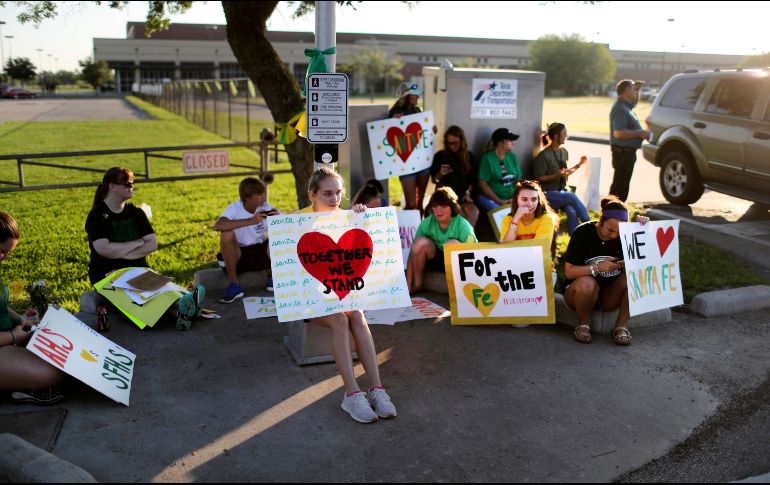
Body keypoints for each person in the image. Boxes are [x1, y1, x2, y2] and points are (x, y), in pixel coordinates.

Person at [301, 167, 397, 424]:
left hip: (343, 294)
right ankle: (352, 393)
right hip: (313, 301)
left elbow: (363, 257)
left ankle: (377, 389)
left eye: (338, 193)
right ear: (312, 194)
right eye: (327, 193)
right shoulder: (297, 221)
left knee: (356, 313)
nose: (334, 199)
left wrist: (363, 221)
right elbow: (283, 262)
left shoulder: (348, 217)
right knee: (341, 319)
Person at [85, 167, 203, 330]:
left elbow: (152, 244)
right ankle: (186, 309)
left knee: (159, 290)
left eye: (132, 183)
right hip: (107, 273)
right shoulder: (97, 215)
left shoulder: (136, 213)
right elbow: (104, 249)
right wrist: (136, 243)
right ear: (112, 186)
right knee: (138, 298)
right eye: (126, 183)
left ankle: (182, 312)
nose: (131, 186)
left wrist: (121, 253)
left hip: (138, 267)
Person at [562, 195, 649, 346]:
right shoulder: (582, 232)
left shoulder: (627, 235)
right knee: (587, 283)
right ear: (601, 221)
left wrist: (644, 230)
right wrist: (596, 268)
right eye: (610, 230)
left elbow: (645, 258)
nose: (614, 235)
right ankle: (583, 324)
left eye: (619, 232)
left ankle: (621, 327)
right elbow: (569, 272)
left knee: (633, 277)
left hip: (609, 295)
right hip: (577, 294)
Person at [0, 211, 65, 405]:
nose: (5, 257)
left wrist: (20, 320)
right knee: (52, 373)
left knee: (63, 355)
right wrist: (14, 337)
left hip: (8, 338)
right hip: (5, 341)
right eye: (3, 251)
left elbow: (1, 306)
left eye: (8, 253)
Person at [214, 177, 279, 303]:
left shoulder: (267, 208)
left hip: (261, 255)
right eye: (259, 194)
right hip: (239, 256)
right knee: (226, 234)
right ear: (247, 197)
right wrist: (251, 221)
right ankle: (234, 285)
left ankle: (275, 277)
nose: (264, 197)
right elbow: (218, 226)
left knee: (278, 233)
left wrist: (279, 220)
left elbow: (288, 228)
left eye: (264, 193)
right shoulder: (234, 208)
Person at [406, 187, 478, 294]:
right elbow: (412, 254)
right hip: (435, 260)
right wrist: (407, 287)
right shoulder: (427, 223)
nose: (439, 210)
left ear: (452, 207)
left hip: (458, 265)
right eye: (435, 206)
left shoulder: (463, 225)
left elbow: (475, 254)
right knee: (419, 243)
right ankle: (418, 284)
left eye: (443, 206)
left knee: (452, 244)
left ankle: (457, 291)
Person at [533, 122, 590, 235]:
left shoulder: (564, 152)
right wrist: (556, 175)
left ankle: (575, 239)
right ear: (555, 136)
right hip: (546, 193)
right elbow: (538, 178)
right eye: (564, 133)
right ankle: (589, 224)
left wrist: (579, 164)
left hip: (561, 192)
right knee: (572, 196)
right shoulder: (544, 155)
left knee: (571, 210)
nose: (566, 136)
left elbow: (565, 173)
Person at [500, 180, 558, 281]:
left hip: (541, 270)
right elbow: (505, 249)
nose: (530, 204)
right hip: (514, 270)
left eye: (534, 199)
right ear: (516, 200)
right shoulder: (507, 220)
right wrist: (516, 219)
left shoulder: (546, 219)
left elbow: (538, 251)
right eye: (524, 199)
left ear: (538, 200)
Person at [389, 82, 430, 214]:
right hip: (406, 162)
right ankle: (404, 231)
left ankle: (418, 231)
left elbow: (422, 131)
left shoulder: (417, 110)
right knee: (411, 204)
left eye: (418, 95)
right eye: (414, 95)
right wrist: (392, 121)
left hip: (422, 161)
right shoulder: (395, 112)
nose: (417, 97)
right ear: (406, 95)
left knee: (419, 203)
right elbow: (387, 133)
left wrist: (431, 128)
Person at [609, 79, 652, 202]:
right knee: (619, 187)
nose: (636, 91)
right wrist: (639, 133)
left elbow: (634, 102)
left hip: (628, 152)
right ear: (626, 90)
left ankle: (616, 212)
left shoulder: (626, 106)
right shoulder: (620, 108)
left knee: (622, 185)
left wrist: (637, 91)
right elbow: (618, 133)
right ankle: (612, 213)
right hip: (623, 152)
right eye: (634, 88)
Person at [430, 125, 480, 226]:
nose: (452, 146)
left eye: (455, 143)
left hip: (463, 197)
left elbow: (473, 181)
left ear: (462, 141)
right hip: (444, 198)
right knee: (457, 211)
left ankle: (467, 238)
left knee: (473, 212)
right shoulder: (440, 156)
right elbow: (434, 180)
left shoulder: (469, 157)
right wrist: (440, 174)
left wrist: (468, 193)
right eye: (449, 143)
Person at [476, 128, 522, 212]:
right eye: (510, 140)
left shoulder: (512, 157)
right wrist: (499, 201)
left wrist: (514, 198)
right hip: (492, 199)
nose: (513, 142)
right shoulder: (487, 158)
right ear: (501, 142)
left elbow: (518, 181)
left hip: (511, 198)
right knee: (503, 214)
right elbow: (483, 184)